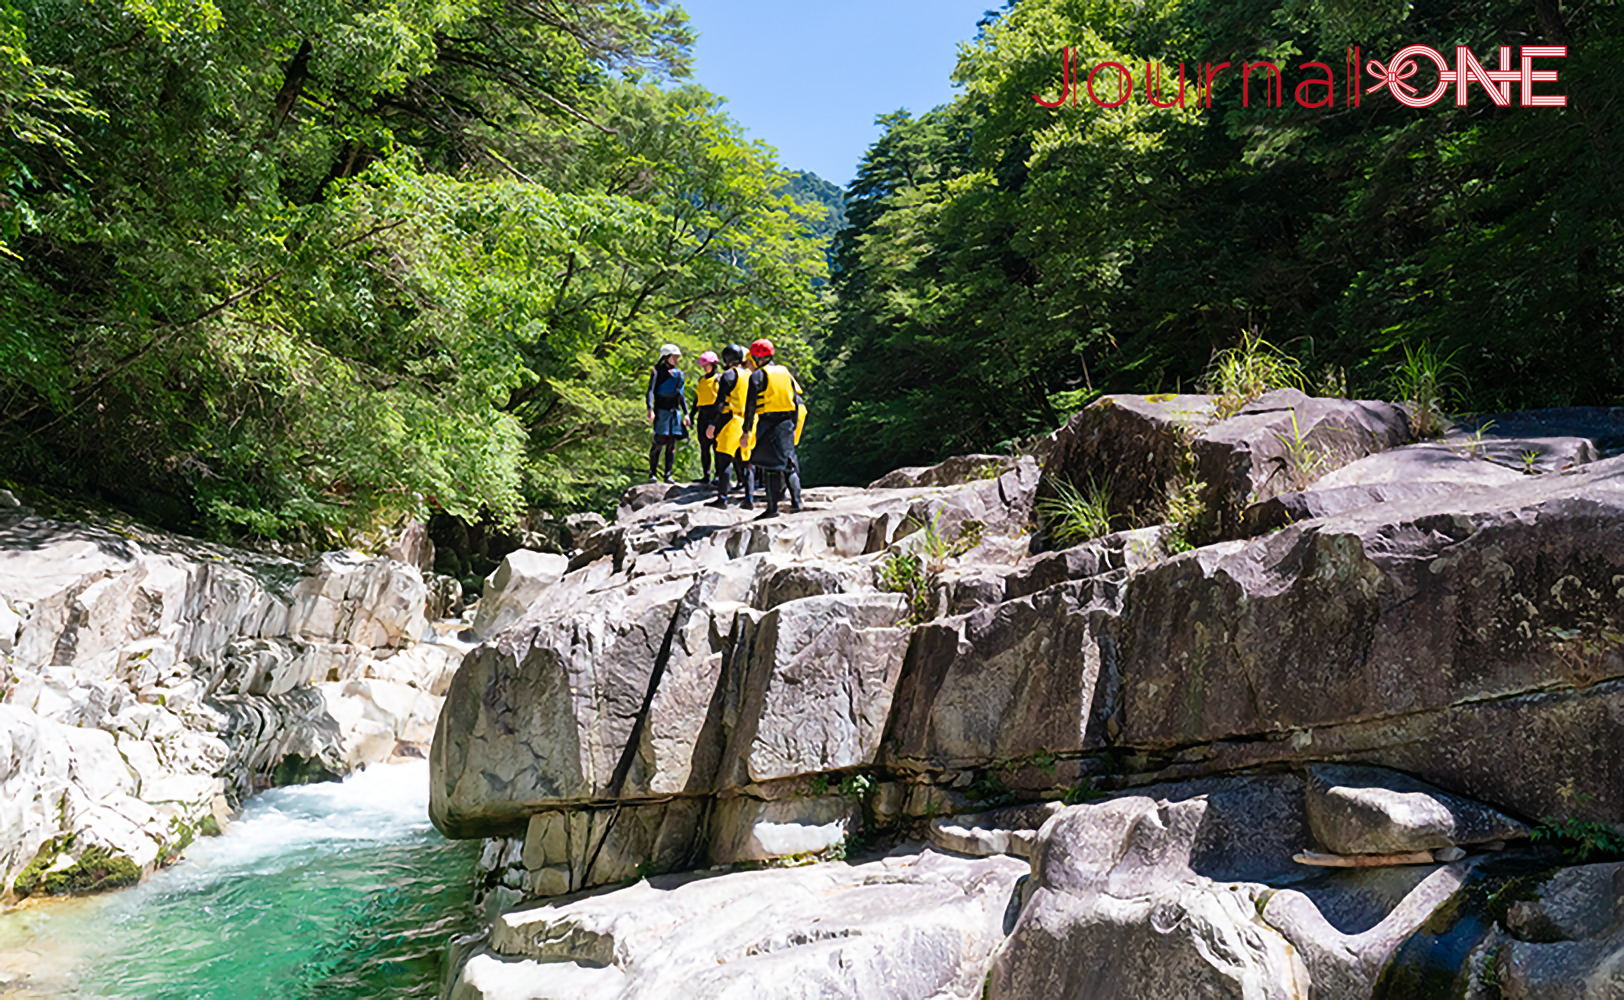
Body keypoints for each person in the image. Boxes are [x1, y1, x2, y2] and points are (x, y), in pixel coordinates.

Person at [741, 338, 805, 518]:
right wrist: (793, 425)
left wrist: (746, 431)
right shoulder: (785, 373)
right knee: (788, 464)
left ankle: (772, 509)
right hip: (786, 422)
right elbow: (795, 402)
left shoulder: (757, 376)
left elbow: (750, 407)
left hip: (768, 423)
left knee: (770, 466)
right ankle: (797, 502)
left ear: (755, 357)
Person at [706, 343, 755, 509]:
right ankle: (749, 498)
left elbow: (720, 403)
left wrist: (712, 424)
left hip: (733, 420)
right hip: (750, 421)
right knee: (747, 460)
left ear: (727, 359)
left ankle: (723, 498)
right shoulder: (751, 375)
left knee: (723, 457)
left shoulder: (728, 376)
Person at [646, 344, 689, 483]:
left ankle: (667, 474)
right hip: (661, 411)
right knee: (659, 442)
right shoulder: (657, 371)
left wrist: (686, 413)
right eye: (674, 357)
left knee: (672, 444)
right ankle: (652, 473)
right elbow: (651, 391)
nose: (676, 360)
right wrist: (650, 409)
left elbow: (681, 395)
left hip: (674, 412)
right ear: (666, 357)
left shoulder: (678, 374)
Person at [692, 351, 722, 484]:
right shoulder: (701, 380)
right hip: (702, 413)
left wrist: (714, 421)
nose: (704, 368)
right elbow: (697, 398)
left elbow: (720, 400)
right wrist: (692, 414)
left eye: (707, 365)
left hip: (714, 413)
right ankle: (706, 474)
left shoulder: (719, 379)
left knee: (717, 446)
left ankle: (718, 474)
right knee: (704, 447)